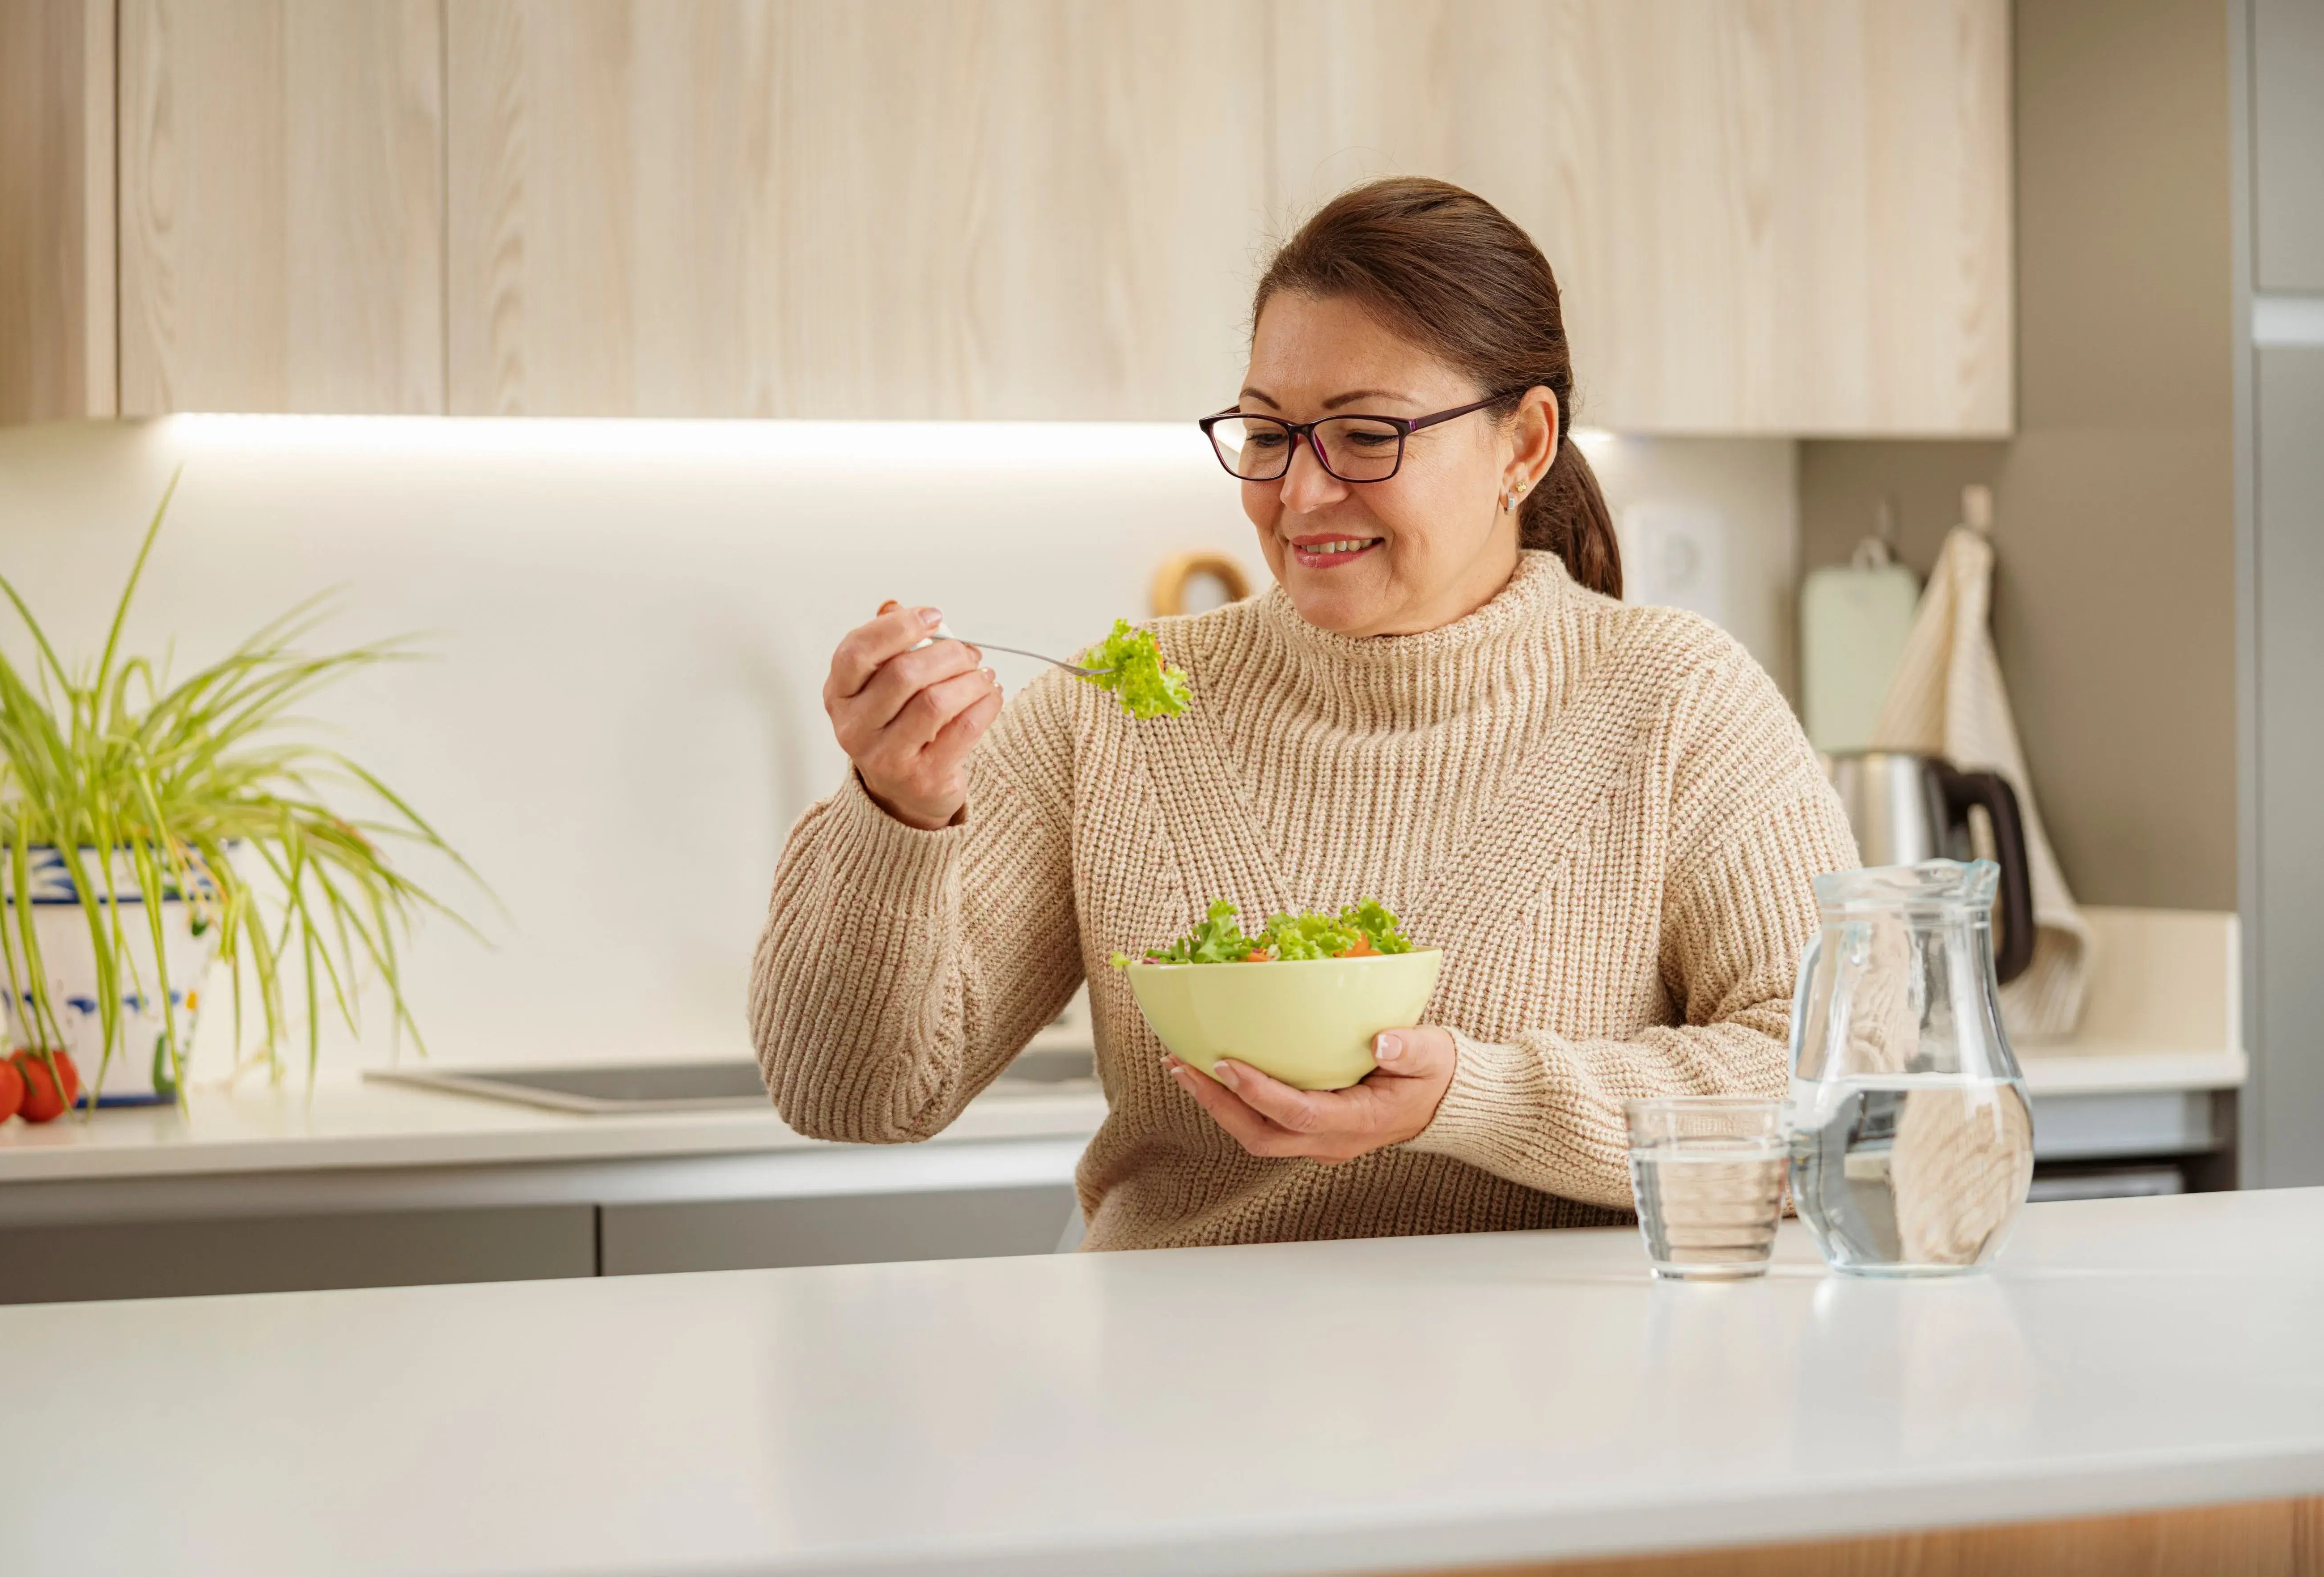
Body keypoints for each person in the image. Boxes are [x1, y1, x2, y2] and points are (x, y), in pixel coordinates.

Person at [750, 177, 1856, 1250]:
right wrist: (894, 813)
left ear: (1522, 443)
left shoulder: (1676, 700)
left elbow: (1830, 1083)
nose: (1301, 493)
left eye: (1367, 434)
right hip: (1182, 1397)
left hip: (1567, 1402)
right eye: (1269, 433)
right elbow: (851, 1095)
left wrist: (1467, 1096)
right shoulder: (1117, 714)